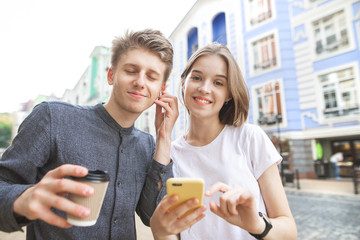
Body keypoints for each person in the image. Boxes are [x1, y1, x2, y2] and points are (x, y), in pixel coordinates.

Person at [0, 29, 178, 240]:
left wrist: (164, 137)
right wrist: (23, 199)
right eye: (131, 70)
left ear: (161, 89)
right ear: (111, 75)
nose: (140, 82)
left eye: (151, 76)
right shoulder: (53, 118)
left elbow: (151, 216)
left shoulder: (149, 145)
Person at [150, 43, 297, 239]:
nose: (204, 88)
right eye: (197, 78)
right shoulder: (169, 154)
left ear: (228, 93)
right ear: (184, 81)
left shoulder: (250, 137)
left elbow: (289, 230)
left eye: (218, 83)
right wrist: (160, 233)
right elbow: (171, 233)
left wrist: (257, 224)